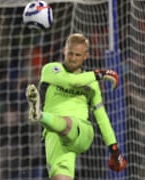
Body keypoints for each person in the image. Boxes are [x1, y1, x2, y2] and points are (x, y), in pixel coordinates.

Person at [25, 33, 127, 180]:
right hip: (53, 134)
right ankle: (40, 115)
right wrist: (99, 74)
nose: (72, 58)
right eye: (70, 53)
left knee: (66, 122)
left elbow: (102, 117)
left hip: (82, 131)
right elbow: (71, 82)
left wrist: (114, 148)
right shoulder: (51, 69)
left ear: (86, 56)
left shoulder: (91, 84)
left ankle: (39, 115)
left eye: (77, 55)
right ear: (64, 51)